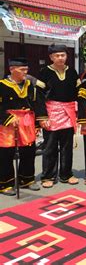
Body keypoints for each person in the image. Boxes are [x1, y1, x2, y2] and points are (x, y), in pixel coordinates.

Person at [36, 44, 80, 188]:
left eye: (63, 55)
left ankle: (66, 174)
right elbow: (39, 97)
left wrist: (80, 114)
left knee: (67, 146)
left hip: (68, 112)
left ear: (67, 56)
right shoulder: (44, 73)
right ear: (51, 57)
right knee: (50, 146)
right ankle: (48, 176)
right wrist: (42, 117)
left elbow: (79, 93)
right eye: (57, 55)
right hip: (51, 113)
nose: (60, 58)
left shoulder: (73, 72)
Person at [0, 58, 40, 196]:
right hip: (8, 123)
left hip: (27, 121)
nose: (25, 72)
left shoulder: (30, 85)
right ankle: (5, 183)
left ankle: (26, 179)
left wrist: (37, 123)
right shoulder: (2, 85)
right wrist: (8, 118)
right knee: (6, 153)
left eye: (26, 69)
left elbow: (36, 104)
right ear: (12, 69)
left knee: (29, 150)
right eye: (22, 69)